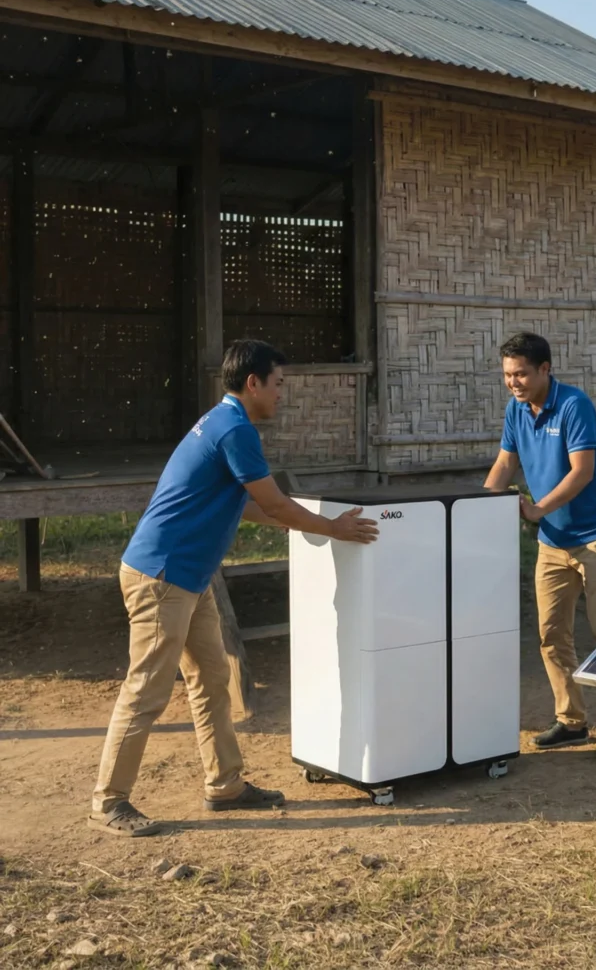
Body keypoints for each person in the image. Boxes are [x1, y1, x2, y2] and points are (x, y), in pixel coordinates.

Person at [89, 340, 380, 837]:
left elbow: (249, 505)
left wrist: (306, 523)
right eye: (279, 383)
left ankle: (224, 785)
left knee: (211, 681)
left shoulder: (221, 423)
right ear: (254, 383)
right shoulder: (235, 429)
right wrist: (331, 528)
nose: (281, 394)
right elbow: (277, 504)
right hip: (163, 577)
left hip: (188, 576)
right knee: (146, 691)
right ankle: (108, 801)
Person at [484, 332, 596, 754]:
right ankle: (571, 721)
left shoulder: (574, 406)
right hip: (553, 543)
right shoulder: (516, 411)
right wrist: (478, 509)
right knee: (551, 633)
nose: (513, 382)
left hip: (595, 538)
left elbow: (581, 472)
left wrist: (535, 510)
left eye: (521, 374)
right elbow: (504, 463)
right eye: (507, 375)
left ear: (545, 370)